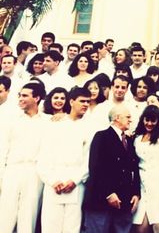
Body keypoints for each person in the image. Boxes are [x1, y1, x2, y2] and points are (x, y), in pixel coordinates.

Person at [37, 87, 92, 233]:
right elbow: (43, 156)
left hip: (76, 183)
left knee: (72, 227)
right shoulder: (55, 124)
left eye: (88, 101)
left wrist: (75, 180)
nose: (85, 104)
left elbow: (88, 160)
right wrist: (52, 180)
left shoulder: (90, 127)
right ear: (72, 101)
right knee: (50, 226)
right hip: (53, 181)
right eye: (82, 101)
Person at [83, 105, 140, 233]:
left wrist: (136, 193)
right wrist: (108, 193)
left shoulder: (129, 140)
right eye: (128, 117)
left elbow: (134, 168)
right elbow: (95, 167)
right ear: (117, 118)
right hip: (100, 201)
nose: (131, 120)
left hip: (124, 201)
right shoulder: (101, 136)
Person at [0, 82, 46, 233]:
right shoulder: (10, 119)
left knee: (28, 217)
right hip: (12, 170)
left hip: (35, 171)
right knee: (5, 216)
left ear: (37, 98)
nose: (20, 98)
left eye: (25, 96)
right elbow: (2, 149)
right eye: (19, 95)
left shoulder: (47, 121)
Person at [132, 105, 159, 233]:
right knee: (141, 226)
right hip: (143, 184)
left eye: (153, 121)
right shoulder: (137, 138)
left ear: (158, 121)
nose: (149, 123)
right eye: (147, 120)